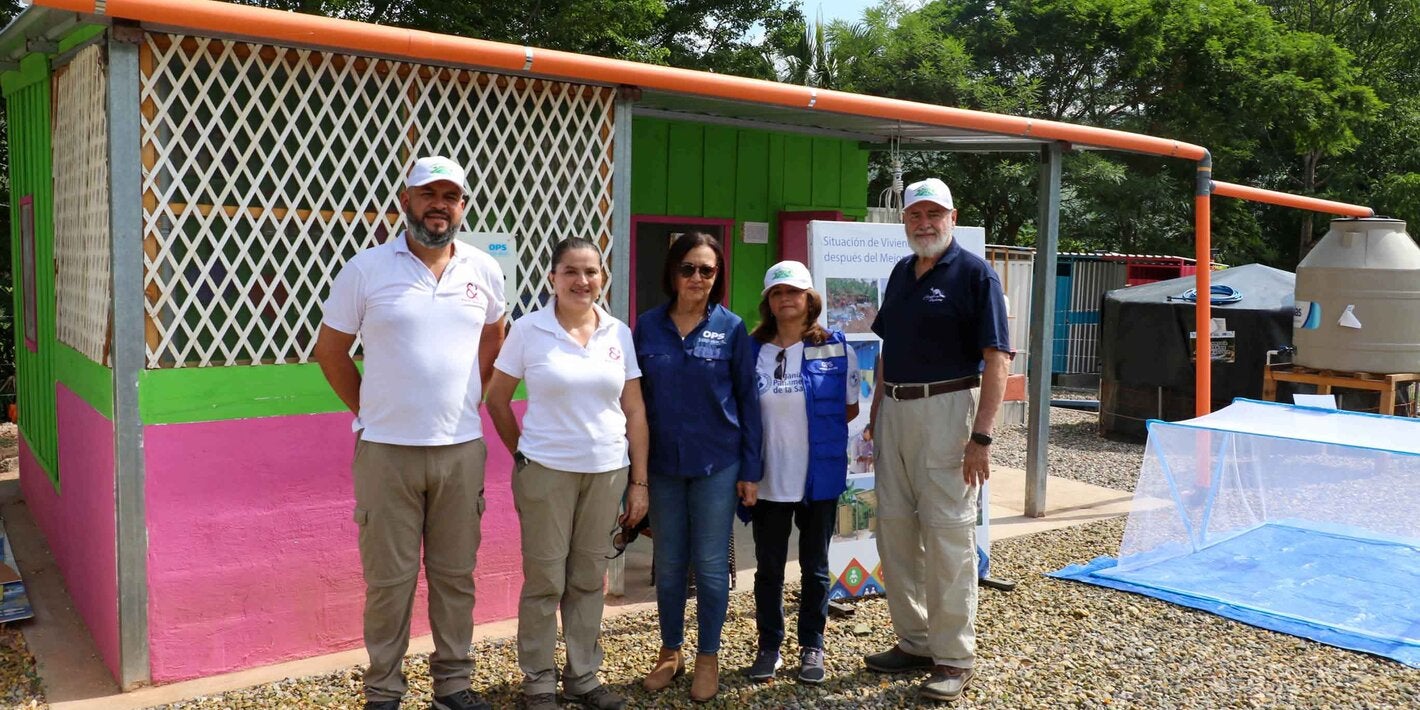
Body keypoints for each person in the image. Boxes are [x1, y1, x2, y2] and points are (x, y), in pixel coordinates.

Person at [314, 156, 506, 710]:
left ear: (463, 206)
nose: (439, 205)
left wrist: (475, 392)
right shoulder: (367, 269)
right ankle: (384, 691)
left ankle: (453, 687)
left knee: (455, 577)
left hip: (461, 450)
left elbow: (495, 334)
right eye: (428, 194)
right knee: (389, 583)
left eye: (451, 195)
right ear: (406, 200)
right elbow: (331, 350)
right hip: (386, 453)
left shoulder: (481, 270)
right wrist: (369, 408)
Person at [863, 178, 1011, 703]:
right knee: (896, 533)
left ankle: (954, 656)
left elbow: (998, 359)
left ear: (952, 216)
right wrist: (877, 413)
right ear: (904, 221)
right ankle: (915, 639)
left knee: (949, 536)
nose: (924, 224)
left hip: (950, 409)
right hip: (897, 409)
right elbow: (888, 350)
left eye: (934, 214)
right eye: (914, 216)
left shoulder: (976, 275)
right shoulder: (902, 271)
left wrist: (982, 437)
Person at [485, 237, 649, 710]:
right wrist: (524, 454)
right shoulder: (528, 331)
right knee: (544, 580)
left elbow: (634, 410)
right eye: (571, 271)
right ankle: (538, 681)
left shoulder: (618, 332)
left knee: (587, 578)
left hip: (606, 472)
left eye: (592, 272)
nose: (582, 281)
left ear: (603, 278)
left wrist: (638, 482)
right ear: (552, 278)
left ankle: (583, 677)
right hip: (546, 473)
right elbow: (497, 400)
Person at [634, 232, 763, 703]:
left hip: (717, 464)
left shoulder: (732, 329)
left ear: (717, 276)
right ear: (673, 272)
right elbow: (635, 402)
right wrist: (636, 474)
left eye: (706, 270)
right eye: (688, 268)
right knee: (668, 566)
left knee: (709, 567)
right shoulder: (647, 327)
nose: (696, 277)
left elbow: (749, 403)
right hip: (663, 465)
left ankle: (708, 655)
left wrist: (750, 470)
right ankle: (671, 651)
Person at [743, 261, 859, 685]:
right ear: (768, 302)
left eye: (794, 292)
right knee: (769, 568)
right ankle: (769, 645)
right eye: (777, 293)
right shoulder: (752, 349)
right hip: (767, 478)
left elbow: (849, 409)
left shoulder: (835, 347)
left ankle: (812, 644)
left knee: (814, 568)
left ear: (810, 299)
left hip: (819, 479)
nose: (785, 299)